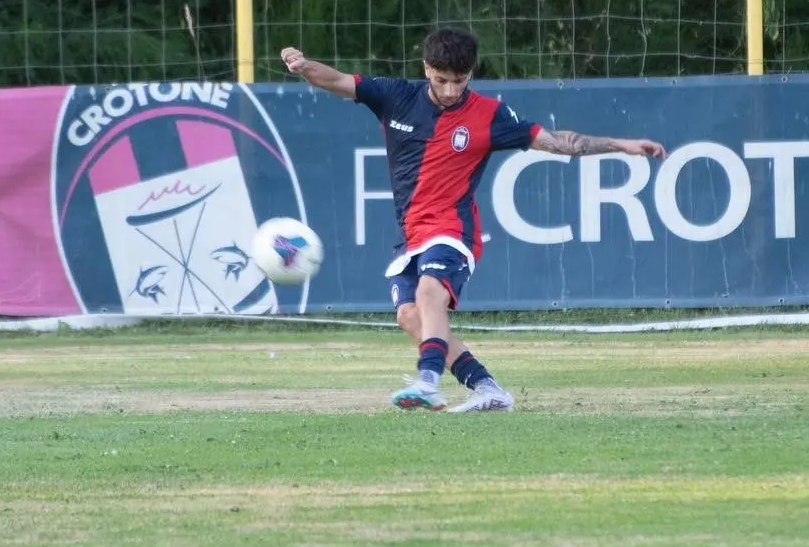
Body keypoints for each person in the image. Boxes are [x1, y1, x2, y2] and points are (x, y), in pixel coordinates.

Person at [282, 27, 666, 412]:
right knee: (410, 316)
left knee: (430, 292)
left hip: (453, 231)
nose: (451, 90)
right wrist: (303, 66)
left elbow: (558, 141)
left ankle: (428, 381)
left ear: (470, 75)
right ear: (426, 68)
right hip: (411, 234)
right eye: (442, 80)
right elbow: (336, 80)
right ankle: (488, 388)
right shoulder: (395, 96)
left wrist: (622, 145)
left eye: (459, 81)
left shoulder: (489, 114)